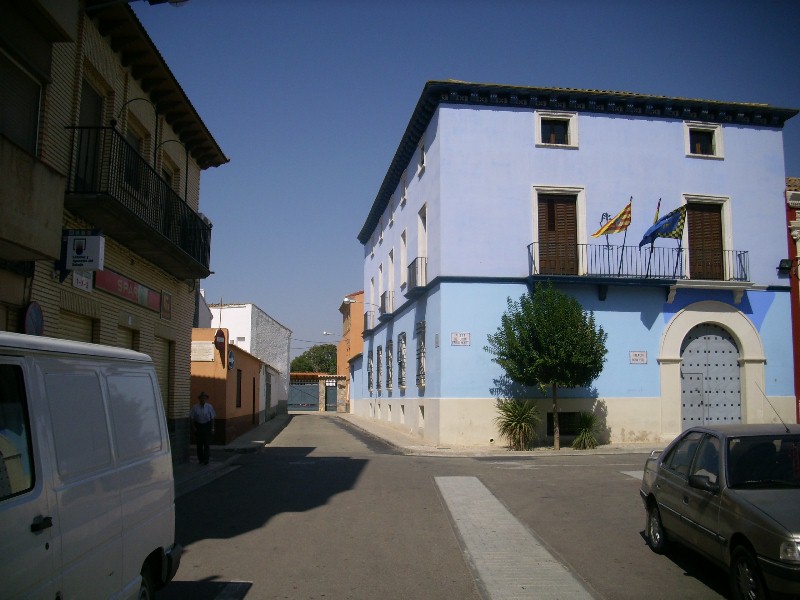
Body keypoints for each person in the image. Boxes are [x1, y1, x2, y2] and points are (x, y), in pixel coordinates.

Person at [189, 391, 216, 465]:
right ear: (199, 399)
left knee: (206, 444)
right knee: (199, 444)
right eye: (201, 398)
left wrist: (212, 428)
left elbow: (213, 418)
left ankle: (206, 459)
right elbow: (191, 418)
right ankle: (200, 459)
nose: (203, 399)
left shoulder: (209, 407)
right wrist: (194, 427)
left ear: (206, 399)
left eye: (204, 398)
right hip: (198, 426)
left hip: (207, 426)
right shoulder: (195, 407)